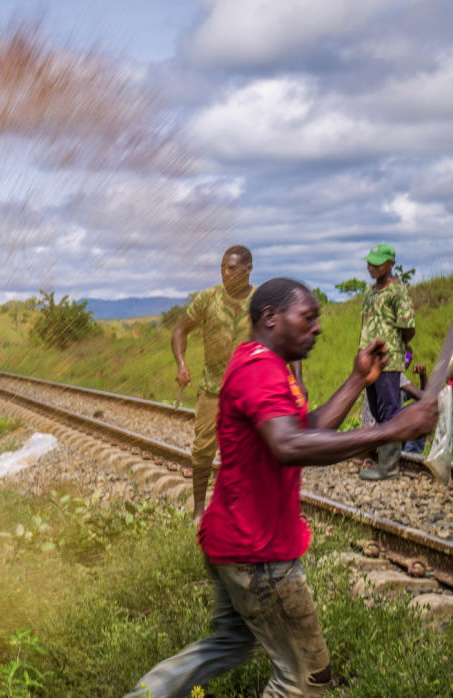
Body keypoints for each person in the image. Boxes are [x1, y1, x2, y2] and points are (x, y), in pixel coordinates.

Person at [127, 278, 437, 698]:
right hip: (259, 555)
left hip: (233, 538)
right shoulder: (260, 369)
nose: (318, 328)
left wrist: (358, 379)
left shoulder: (263, 363)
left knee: (230, 644)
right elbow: (290, 446)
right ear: (271, 318)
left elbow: (301, 429)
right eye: (307, 317)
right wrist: (391, 429)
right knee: (307, 680)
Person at [171, 245, 254, 521]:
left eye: (232, 268)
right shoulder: (208, 299)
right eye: (222, 268)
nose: (225, 273)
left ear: (248, 269)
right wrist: (182, 363)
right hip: (212, 389)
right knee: (203, 449)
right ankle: (198, 510)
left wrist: (296, 379)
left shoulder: (260, 300)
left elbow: (284, 337)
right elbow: (181, 330)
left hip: (248, 391)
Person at [356, 242, 416, 480]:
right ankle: (384, 461)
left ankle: (389, 467)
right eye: (370, 263)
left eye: (378, 263)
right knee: (378, 411)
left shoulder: (397, 291)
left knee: (390, 412)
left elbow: (408, 327)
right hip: (369, 362)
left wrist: (395, 347)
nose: (372, 267)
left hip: (388, 362)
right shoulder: (370, 292)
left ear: (391, 264)